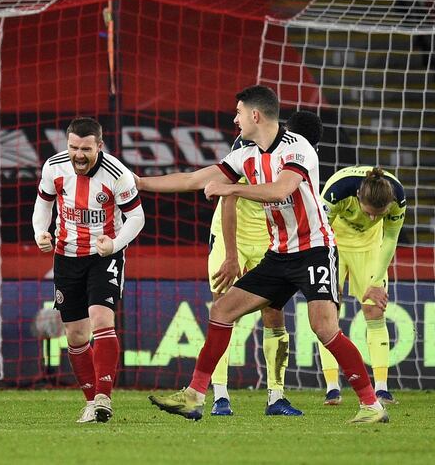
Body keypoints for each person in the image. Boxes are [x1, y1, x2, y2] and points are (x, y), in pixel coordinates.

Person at [147, 85, 388, 424]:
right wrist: (138, 183)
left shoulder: (297, 147)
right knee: (222, 309)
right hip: (279, 255)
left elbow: (281, 189)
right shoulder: (245, 154)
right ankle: (194, 395)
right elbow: (192, 178)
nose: (235, 118)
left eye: (239, 112)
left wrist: (229, 188)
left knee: (324, 327)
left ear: (255, 115)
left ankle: (371, 404)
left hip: (314, 251)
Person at [137, 111, 322, 417]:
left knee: (274, 314)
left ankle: (276, 396)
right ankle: (219, 395)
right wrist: (232, 255)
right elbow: (227, 199)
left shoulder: (297, 154)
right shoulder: (249, 147)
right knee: (222, 307)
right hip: (230, 235)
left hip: (270, 237)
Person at [32, 117, 145, 423]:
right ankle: (90, 403)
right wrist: (40, 232)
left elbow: (137, 218)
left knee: (101, 319)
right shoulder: (54, 167)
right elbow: (43, 204)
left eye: (85, 149)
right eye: (73, 147)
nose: (78, 155)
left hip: (103, 255)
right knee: (76, 335)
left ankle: (103, 398)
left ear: (99, 146)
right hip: (66, 256)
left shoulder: (117, 174)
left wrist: (116, 243)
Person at [317, 166, 406, 406]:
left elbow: (390, 238)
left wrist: (376, 283)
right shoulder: (337, 190)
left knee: (375, 310)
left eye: (379, 214)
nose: (372, 218)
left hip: (369, 249)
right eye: (368, 213)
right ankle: (332, 388)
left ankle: (382, 389)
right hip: (333, 245)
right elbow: (319, 232)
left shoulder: (397, 196)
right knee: (328, 313)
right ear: (358, 197)